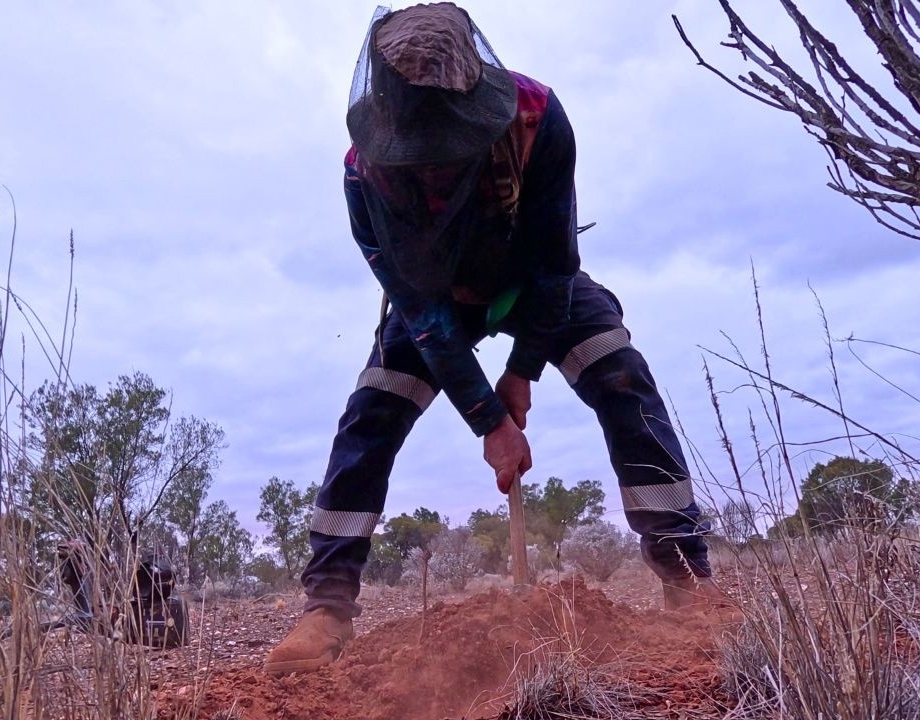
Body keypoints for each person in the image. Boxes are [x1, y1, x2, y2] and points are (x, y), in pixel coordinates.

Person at [263, 2, 725, 676]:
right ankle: (327, 607)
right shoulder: (364, 172)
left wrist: (521, 373)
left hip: (533, 283)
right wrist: (488, 419)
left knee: (619, 371)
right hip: (437, 302)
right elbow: (421, 310)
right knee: (372, 411)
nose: (435, 165)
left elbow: (554, 264)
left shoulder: (538, 120)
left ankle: (687, 579)